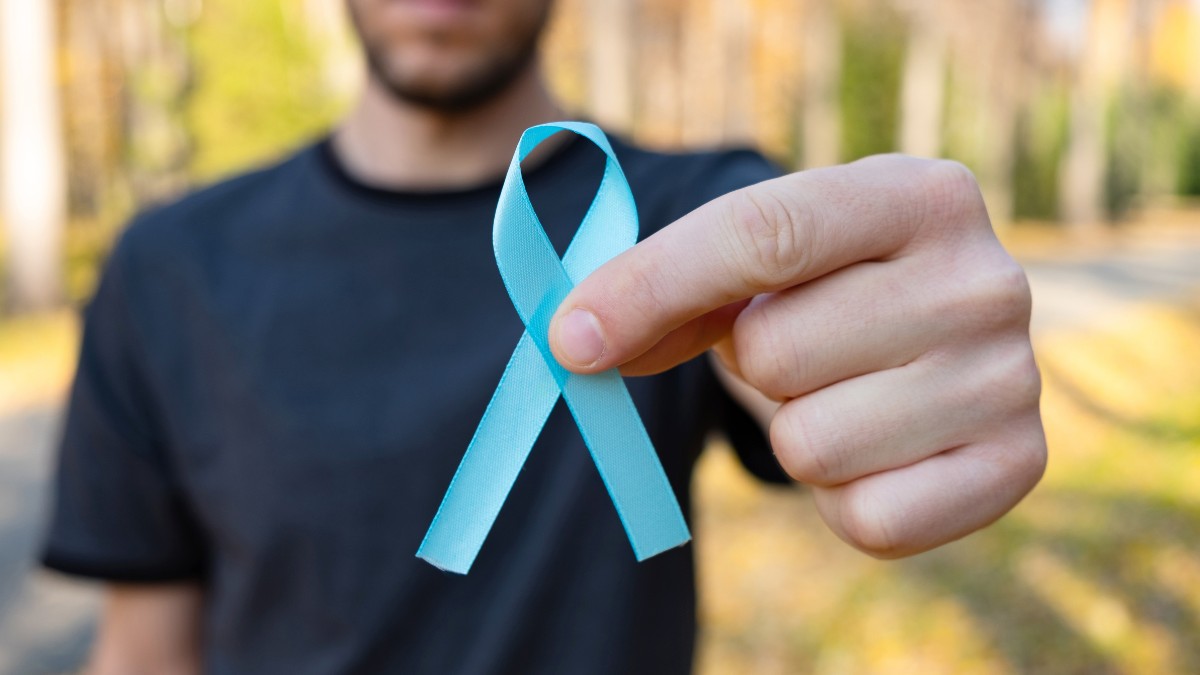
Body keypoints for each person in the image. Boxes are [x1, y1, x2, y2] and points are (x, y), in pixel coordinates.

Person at [41, 0, 1047, 673]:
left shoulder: (683, 220)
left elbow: (791, 275)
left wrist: (903, 326)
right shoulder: (169, 266)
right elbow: (144, 646)